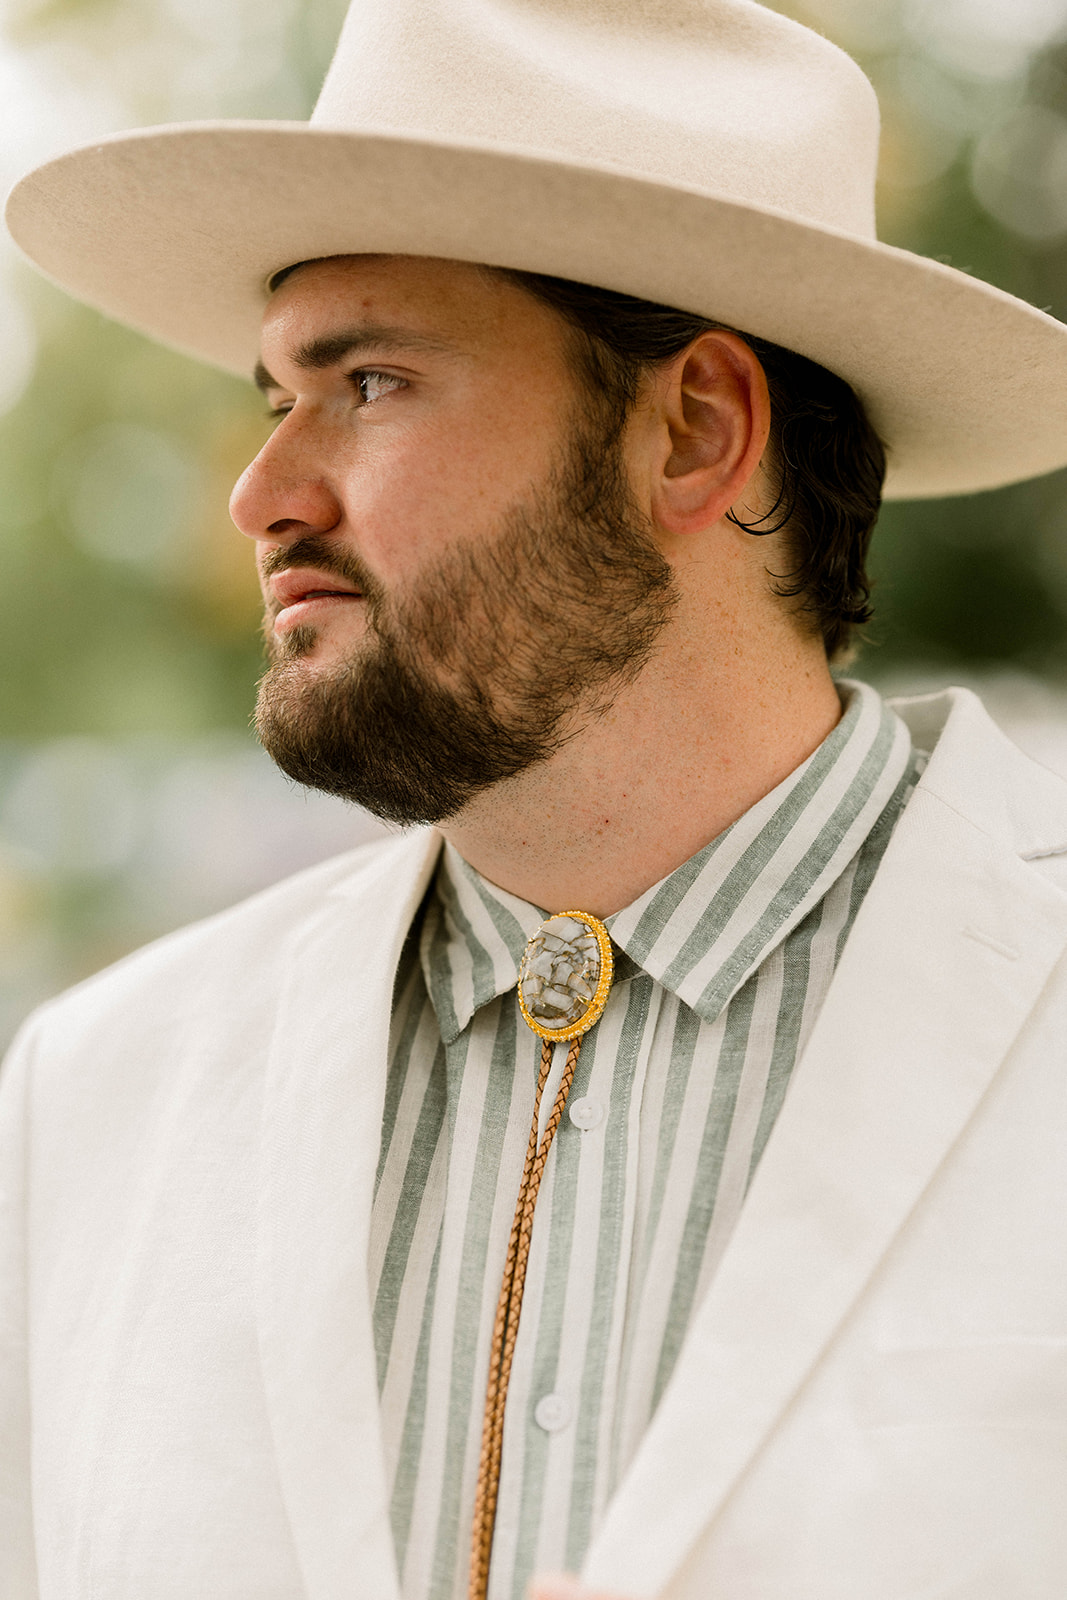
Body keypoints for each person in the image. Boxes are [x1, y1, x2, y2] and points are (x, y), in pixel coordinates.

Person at [3, 1, 1067, 1597]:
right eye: (278, 390)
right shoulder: (95, 1099)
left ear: (696, 432)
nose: (261, 490)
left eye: (368, 382)